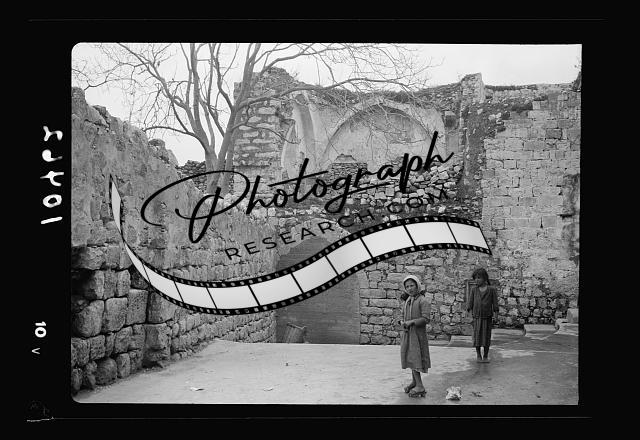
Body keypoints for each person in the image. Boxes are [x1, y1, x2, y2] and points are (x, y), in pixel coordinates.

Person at [399, 275, 431, 398]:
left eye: (412, 285)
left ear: (417, 285)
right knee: (410, 358)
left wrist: (412, 322)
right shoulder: (408, 300)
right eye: (407, 286)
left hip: (417, 336)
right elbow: (404, 315)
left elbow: (425, 319)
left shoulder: (423, 301)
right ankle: (414, 382)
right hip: (408, 334)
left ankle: (420, 386)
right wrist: (402, 322)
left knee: (416, 358)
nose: (409, 288)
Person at [466, 268, 499, 363]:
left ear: (484, 278)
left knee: (486, 337)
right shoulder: (474, 290)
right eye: (475, 278)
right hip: (476, 317)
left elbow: (495, 304)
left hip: (487, 317)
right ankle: (478, 355)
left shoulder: (491, 290)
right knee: (477, 337)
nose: (476, 280)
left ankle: (485, 355)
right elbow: (470, 304)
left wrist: (496, 316)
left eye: (479, 278)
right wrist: (470, 317)